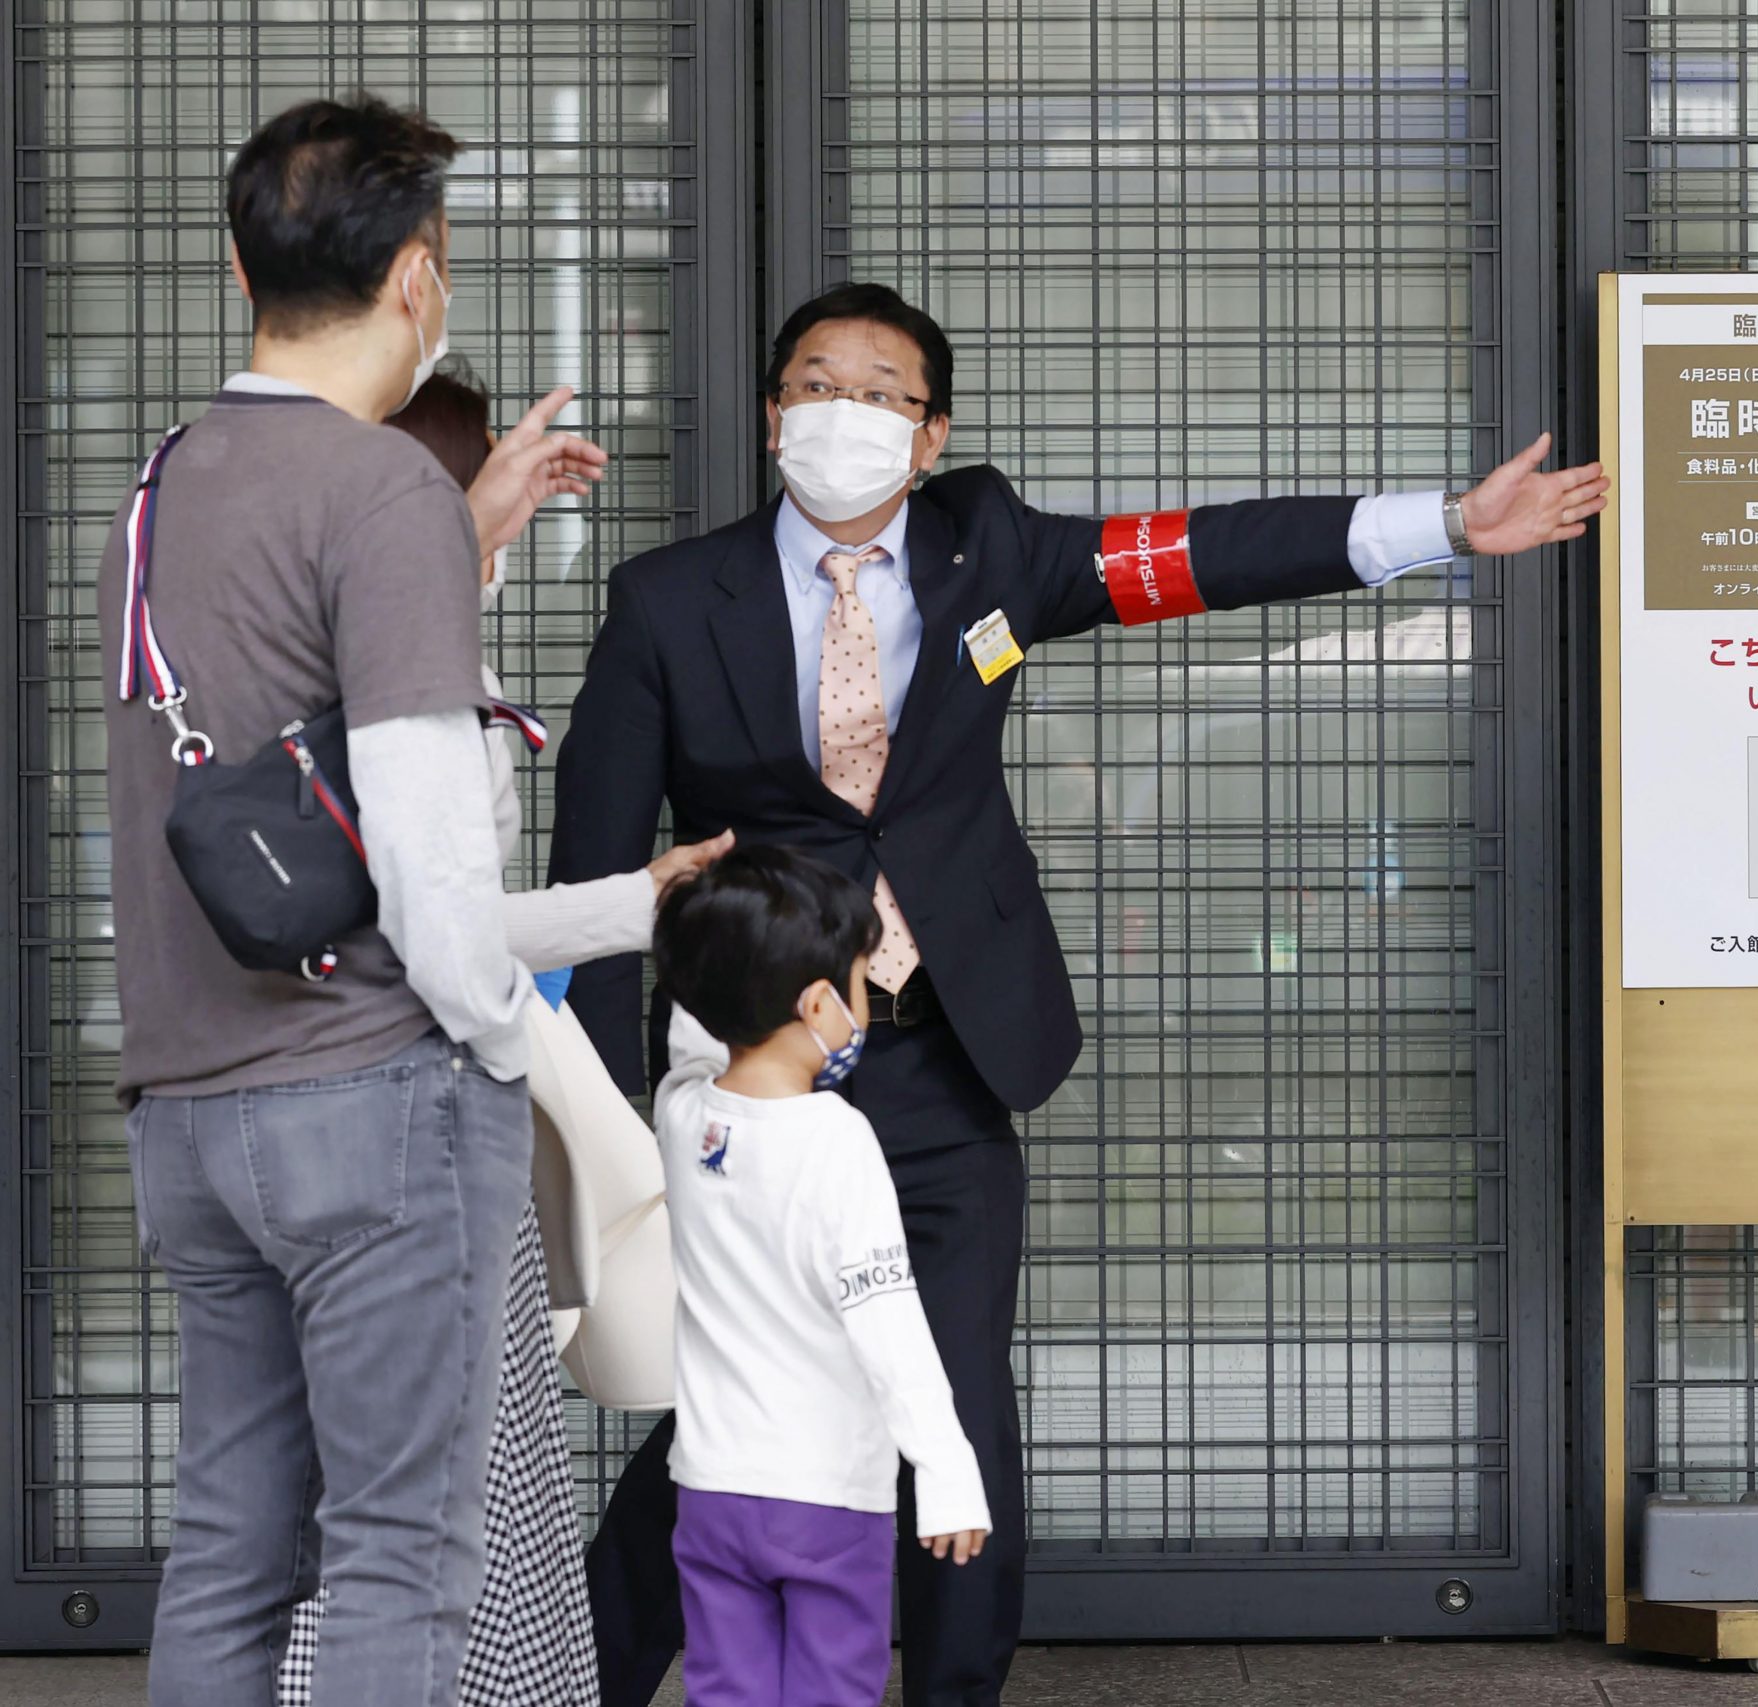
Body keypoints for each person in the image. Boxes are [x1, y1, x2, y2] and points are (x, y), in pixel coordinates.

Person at [551, 280, 1609, 1707]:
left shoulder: (989, 552)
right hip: (749, 1076)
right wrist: (608, 1115)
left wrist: (1445, 526)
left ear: (930, 434)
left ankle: (956, 1693)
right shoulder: (671, 598)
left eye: (881, 393)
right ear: (769, 415)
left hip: (939, 1053)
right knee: (739, 1404)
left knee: (956, 1398)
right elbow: (596, 863)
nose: (844, 412)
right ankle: (578, 1679)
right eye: (815, 383)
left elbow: (1199, 555)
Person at [99, 96, 604, 1707]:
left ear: (241, 264)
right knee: (400, 1553)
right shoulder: (381, 489)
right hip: (371, 1096)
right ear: (415, 274)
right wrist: (498, 1042)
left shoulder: (165, 483)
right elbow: (428, 839)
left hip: (187, 1103)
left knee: (230, 1549)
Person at [273, 370, 730, 1707]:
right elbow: (446, 942)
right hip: (424, 1126)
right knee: (455, 1487)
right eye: (506, 481)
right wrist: (520, 1026)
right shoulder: (422, 672)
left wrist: (634, 902)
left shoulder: (309, 646)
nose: (523, 519)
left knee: (374, 1472)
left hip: (311, 1116)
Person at [649, 845, 992, 1707]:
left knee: (724, 1690)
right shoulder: (838, 1141)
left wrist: (707, 920)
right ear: (816, 1004)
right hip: (828, 1499)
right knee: (831, 1691)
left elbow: (691, 1037)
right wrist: (946, 1469)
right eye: (861, 985)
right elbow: (889, 1319)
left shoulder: (683, 1117)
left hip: (713, 1489)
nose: (865, 1007)